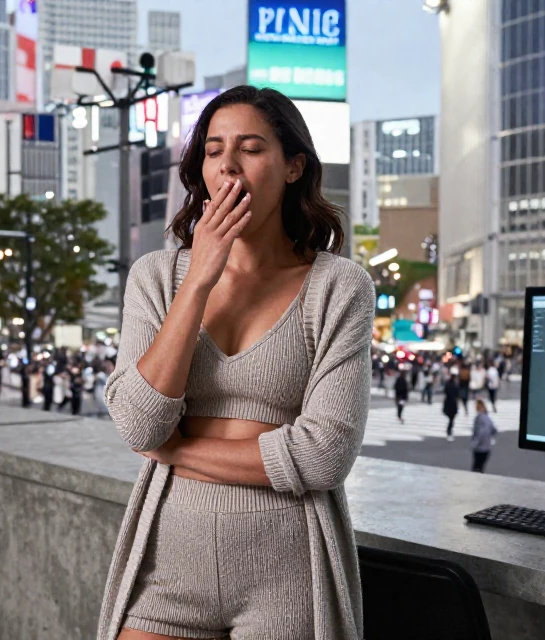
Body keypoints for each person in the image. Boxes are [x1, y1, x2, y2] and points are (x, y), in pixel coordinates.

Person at [99, 86, 373, 640]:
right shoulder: (156, 277)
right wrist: (198, 278)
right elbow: (138, 422)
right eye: (213, 149)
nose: (227, 164)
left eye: (250, 148)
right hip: (168, 559)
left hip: (288, 572)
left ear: (293, 166)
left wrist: (174, 448)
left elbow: (323, 455)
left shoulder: (338, 287)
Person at [471, 399, 497, 473]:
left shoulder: (479, 418)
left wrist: (475, 443)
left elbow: (480, 432)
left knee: (476, 468)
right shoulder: (487, 418)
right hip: (487, 447)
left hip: (479, 448)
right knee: (481, 468)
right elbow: (494, 430)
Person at [443, 373, 460, 442]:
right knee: (452, 418)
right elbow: (457, 394)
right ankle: (449, 430)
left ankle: (449, 430)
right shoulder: (455, 385)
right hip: (453, 403)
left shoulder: (448, 384)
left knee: (451, 418)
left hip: (448, 402)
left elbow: (445, 392)